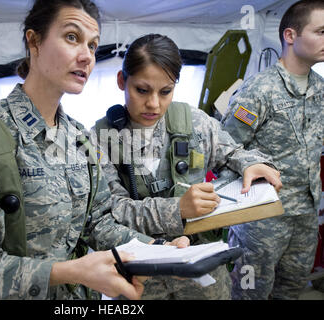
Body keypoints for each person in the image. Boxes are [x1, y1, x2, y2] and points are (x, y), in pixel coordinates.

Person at [0, 0, 189, 300]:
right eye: (72, 37)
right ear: (35, 41)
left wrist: (155, 250)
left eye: (93, 45)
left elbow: (99, 222)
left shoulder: (80, 138)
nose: (87, 56)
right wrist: (68, 272)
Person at [92, 33, 282, 300]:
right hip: (140, 272)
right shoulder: (102, 138)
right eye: (142, 90)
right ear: (122, 81)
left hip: (202, 267)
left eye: (166, 91)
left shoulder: (194, 122)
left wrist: (252, 163)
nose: (154, 104)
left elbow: (233, 152)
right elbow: (110, 211)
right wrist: (177, 209)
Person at [221, 0, 324, 300]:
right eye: (320, 31)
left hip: (304, 214)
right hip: (260, 219)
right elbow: (225, 149)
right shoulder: (259, 90)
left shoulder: (319, 89)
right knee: (249, 292)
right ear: (291, 36)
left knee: (291, 290)